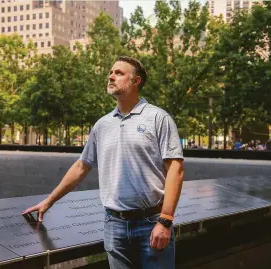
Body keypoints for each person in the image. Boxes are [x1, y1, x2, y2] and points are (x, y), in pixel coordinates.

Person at [22, 56, 184, 268]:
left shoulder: (158, 118)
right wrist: (49, 201)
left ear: (136, 81)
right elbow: (82, 166)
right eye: (110, 72)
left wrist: (165, 220)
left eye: (119, 73)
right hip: (114, 226)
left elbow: (176, 169)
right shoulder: (102, 125)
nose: (111, 76)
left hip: (151, 224)